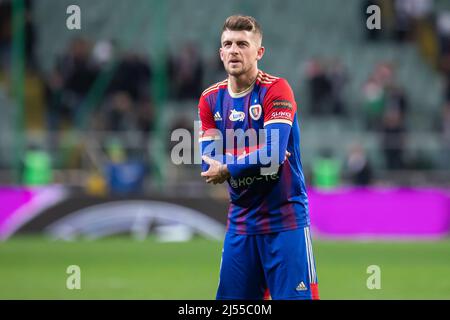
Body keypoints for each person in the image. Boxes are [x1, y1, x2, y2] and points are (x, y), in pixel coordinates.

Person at [198, 15, 319, 300]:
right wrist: (257, 152)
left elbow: (274, 154)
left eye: (242, 44)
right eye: (227, 44)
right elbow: (209, 165)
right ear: (220, 53)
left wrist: (233, 162)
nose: (233, 50)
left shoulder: (276, 89)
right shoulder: (210, 100)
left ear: (259, 52)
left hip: (285, 220)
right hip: (241, 223)